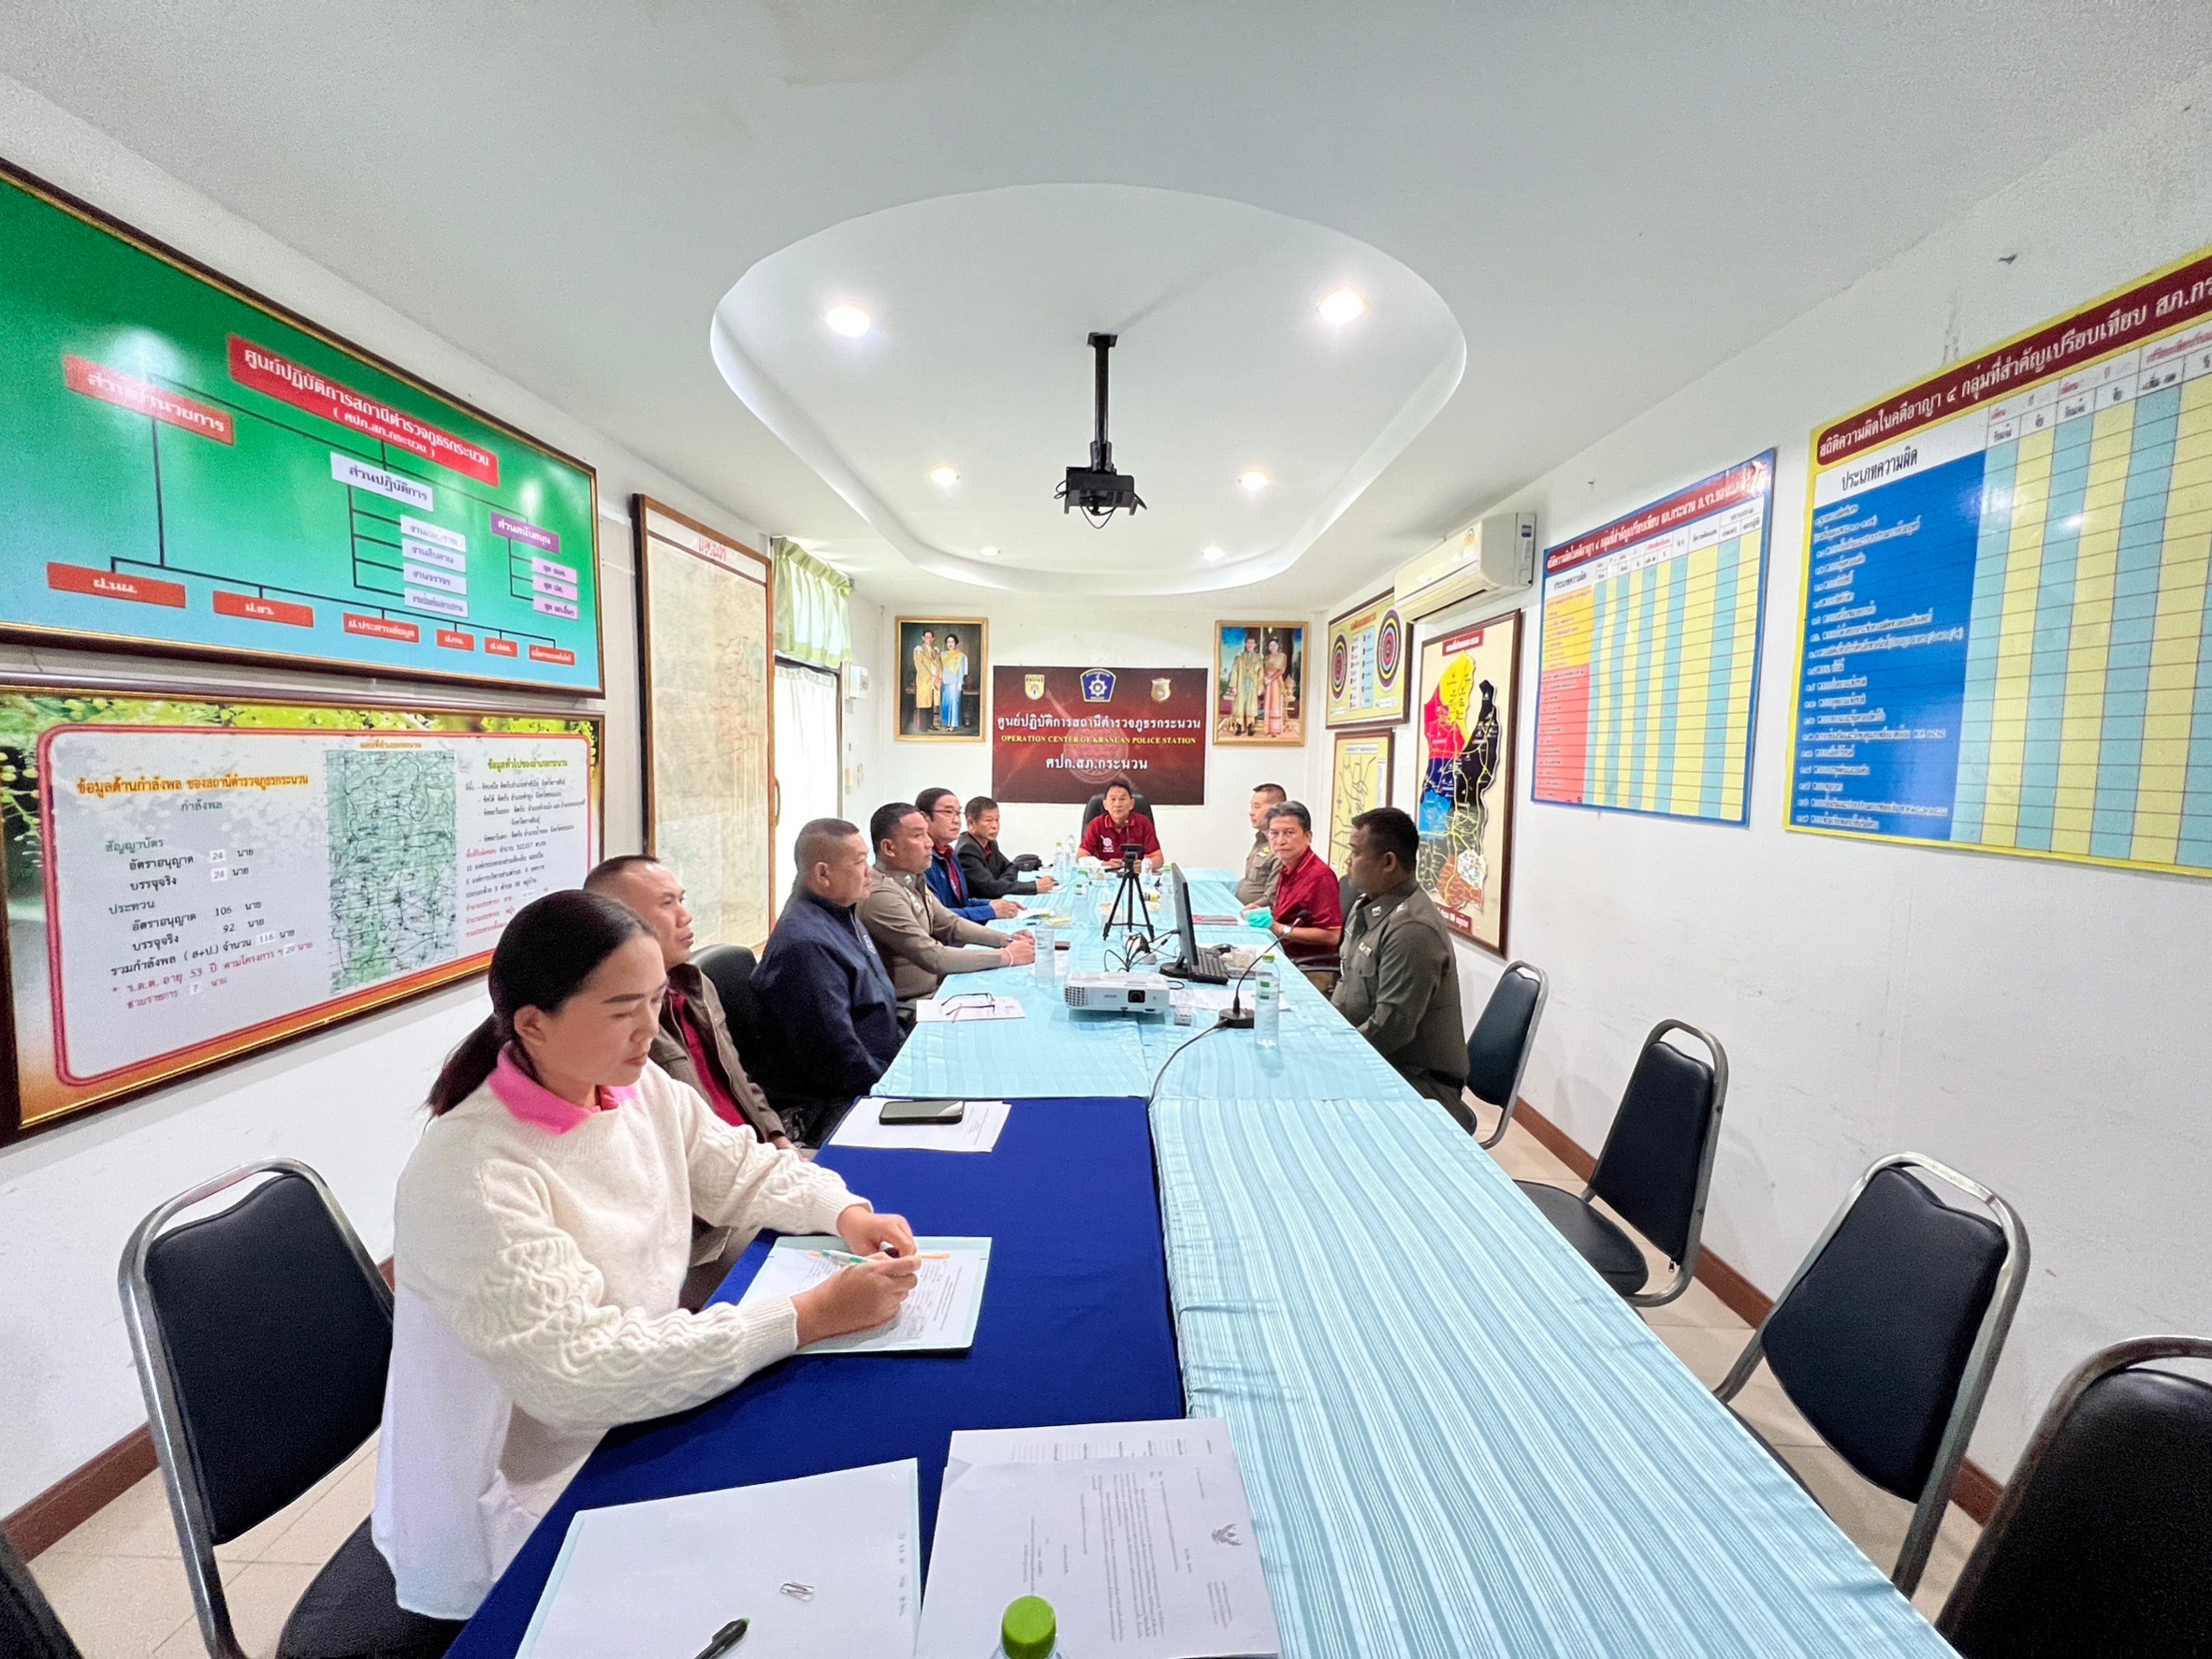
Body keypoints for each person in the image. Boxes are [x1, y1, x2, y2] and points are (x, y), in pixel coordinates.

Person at [373, 890, 920, 1620]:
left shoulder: (631, 1088)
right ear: (533, 1024)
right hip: (527, 1498)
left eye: (657, 999)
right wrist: (807, 1315)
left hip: (636, 1415)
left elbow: (740, 1168)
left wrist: (842, 1211)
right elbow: (581, 1374)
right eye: (621, 1009)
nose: (649, 1029)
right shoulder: (473, 1174)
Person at [584, 854, 790, 1149]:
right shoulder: (616, 1019)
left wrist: (777, 1137)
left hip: (756, 1151)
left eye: (681, 900)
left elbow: (738, 1080)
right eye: (667, 904)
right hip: (712, 1164)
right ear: (618, 921)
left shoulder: (696, 984)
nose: (686, 916)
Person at [750, 818, 906, 1143]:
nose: (870, 872)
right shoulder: (805, 945)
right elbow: (837, 1057)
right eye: (859, 862)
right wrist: (895, 1088)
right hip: (837, 1101)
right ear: (823, 874)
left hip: (878, 1069)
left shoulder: (840, 912)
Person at [1332, 807, 1470, 1124]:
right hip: (1376, 1059)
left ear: (1389, 862)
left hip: (1418, 1083)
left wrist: (1334, 1057)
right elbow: (1345, 983)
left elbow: (1390, 1029)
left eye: (1355, 852)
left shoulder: (1412, 929)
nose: (1348, 862)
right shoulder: (1367, 906)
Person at [860, 801, 1035, 1009]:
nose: (928, 843)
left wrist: (1006, 940)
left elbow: (951, 924)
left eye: (926, 834)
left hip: (937, 988)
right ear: (889, 848)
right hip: (911, 1006)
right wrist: (1007, 956)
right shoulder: (882, 895)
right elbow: (933, 956)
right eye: (918, 835)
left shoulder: (912, 879)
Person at [1259, 800, 1343, 984]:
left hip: (1309, 968)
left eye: (1289, 833)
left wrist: (1279, 929)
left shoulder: (1320, 876)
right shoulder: (1288, 867)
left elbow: (1332, 936)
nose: (1280, 841)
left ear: (1308, 837)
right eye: (1274, 833)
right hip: (1283, 955)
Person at [916, 785, 1020, 922]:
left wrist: (992, 903)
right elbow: (936, 916)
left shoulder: (950, 854)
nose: (956, 820)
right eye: (948, 812)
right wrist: (989, 910)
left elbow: (962, 902)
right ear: (924, 818)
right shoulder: (920, 861)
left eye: (958, 813)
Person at [955, 794, 1055, 899]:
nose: (995, 826)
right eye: (988, 820)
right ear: (971, 823)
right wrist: (1034, 887)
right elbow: (990, 888)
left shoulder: (990, 843)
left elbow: (1011, 867)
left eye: (997, 820)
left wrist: (1001, 884)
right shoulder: (967, 850)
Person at [1078, 778, 1163, 868]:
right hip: (1105, 875)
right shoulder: (1096, 824)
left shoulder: (1143, 823)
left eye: (1122, 799)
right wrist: (1104, 864)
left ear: (1131, 804)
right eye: (1113, 799)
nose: (1117, 804)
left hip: (1135, 874)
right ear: (1105, 805)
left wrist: (1143, 865)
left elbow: (1158, 859)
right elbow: (1081, 857)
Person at [1234, 782, 1287, 906]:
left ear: (1275, 809)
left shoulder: (1281, 846)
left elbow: (1272, 897)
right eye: (1252, 807)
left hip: (1258, 913)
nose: (1251, 812)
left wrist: (1250, 909)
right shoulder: (1261, 840)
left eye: (1257, 807)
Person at [1226, 632, 1264, 737]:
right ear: (1245, 644)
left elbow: (1261, 674)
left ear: (1255, 645)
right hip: (1241, 685)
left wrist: (1260, 687)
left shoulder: (1258, 658)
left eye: (1252, 643)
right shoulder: (1239, 658)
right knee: (1240, 706)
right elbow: (1235, 671)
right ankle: (1239, 727)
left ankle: (1250, 727)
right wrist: (1233, 686)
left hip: (1252, 685)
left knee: (1251, 706)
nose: (1250, 645)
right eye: (1248, 643)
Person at [1262, 631, 1294, 737]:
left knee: (1275, 703)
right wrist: (1265, 678)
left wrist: (1271, 679)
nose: (1272, 647)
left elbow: (1282, 670)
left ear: (1277, 646)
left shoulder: (1282, 656)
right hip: (1268, 682)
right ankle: (1268, 729)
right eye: (1270, 645)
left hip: (1276, 681)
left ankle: (1276, 729)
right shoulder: (1267, 657)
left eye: (1274, 645)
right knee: (1268, 703)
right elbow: (1265, 669)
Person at [910, 628, 940, 735]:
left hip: (934, 681)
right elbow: (920, 666)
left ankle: (930, 724)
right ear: (923, 638)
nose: (928, 639)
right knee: (923, 703)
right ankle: (923, 726)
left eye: (930, 637)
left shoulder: (935, 651)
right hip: (925, 680)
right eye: (927, 637)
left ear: (933, 639)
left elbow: (939, 665)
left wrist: (938, 677)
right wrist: (931, 677)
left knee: (931, 702)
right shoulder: (919, 650)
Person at [938, 631, 968, 732]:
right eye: (948, 642)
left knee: (954, 703)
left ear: (956, 643)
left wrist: (960, 684)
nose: (950, 644)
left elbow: (961, 671)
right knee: (946, 703)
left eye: (952, 642)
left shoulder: (961, 656)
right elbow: (940, 668)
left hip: (955, 683)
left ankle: (953, 725)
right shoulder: (943, 655)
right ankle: (947, 723)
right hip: (945, 682)